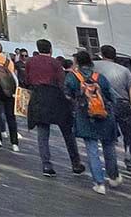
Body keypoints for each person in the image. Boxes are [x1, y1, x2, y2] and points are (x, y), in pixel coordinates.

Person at [26, 38, 84, 178]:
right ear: (50, 49)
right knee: (67, 131)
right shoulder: (55, 63)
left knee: (42, 133)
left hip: (38, 95)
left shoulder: (31, 62)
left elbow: (27, 80)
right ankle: (75, 162)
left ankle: (46, 164)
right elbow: (62, 81)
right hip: (56, 96)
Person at [66, 49, 120, 194]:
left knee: (92, 149)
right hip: (104, 114)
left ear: (77, 62)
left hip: (85, 115)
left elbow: (67, 94)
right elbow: (111, 95)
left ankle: (99, 182)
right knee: (109, 146)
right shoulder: (99, 77)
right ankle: (113, 177)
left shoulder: (72, 77)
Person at [94, 45, 131, 172]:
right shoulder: (124, 70)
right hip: (122, 103)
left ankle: (110, 162)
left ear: (102, 54)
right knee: (128, 133)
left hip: (104, 102)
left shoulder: (95, 65)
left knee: (107, 134)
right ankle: (130, 160)